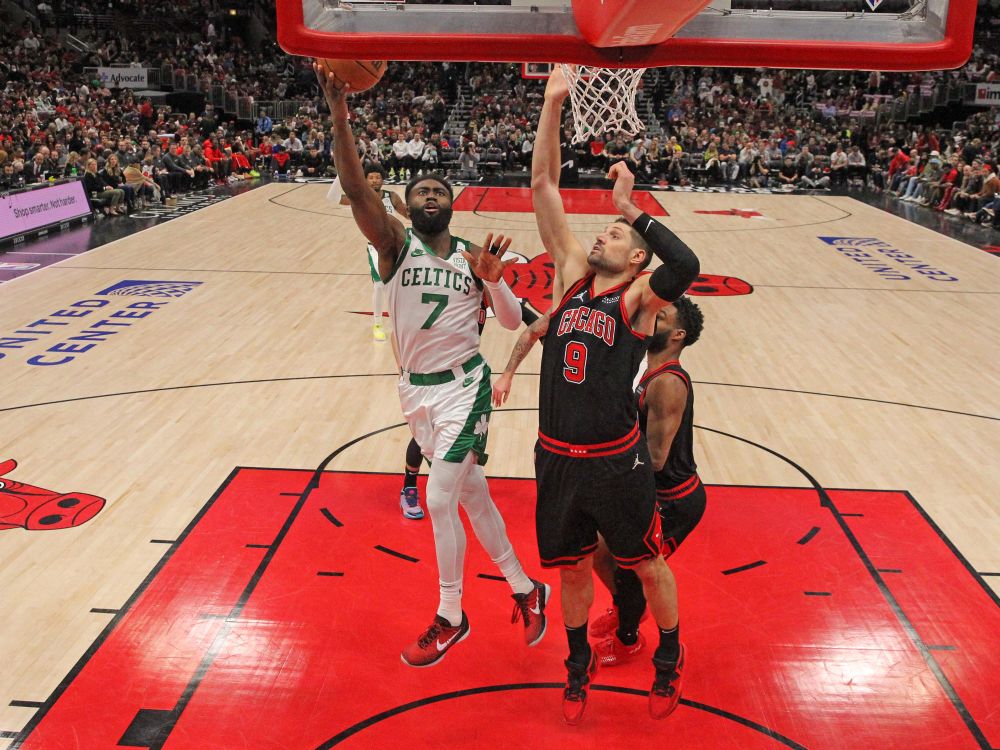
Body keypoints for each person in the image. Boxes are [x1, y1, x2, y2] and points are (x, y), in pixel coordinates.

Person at [316, 61, 549, 668]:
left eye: (439, 192)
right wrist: (340, 113)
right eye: (421, 192)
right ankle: (527, 592)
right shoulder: (393, 245)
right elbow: (359, 188)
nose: (429, 197)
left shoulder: (474, 255)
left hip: (463, 389)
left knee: (441, 500)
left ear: (452, 204)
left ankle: (452, 615)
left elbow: (506, 320)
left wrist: (496, 283)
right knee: (473, 499)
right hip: (414, 394)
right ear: (411, 205)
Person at [530, 66, 700, 725]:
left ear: (636, 260)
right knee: (571, 569)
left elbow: (683, 267)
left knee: (647, 562)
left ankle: (669, 656)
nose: (602, 234)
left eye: (617, 236)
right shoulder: (570, 276)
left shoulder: (636, 299)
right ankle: (577, 667)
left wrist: (633, 210)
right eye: (606, 228)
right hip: (555, 455)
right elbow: (544, 184)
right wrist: (552, 104)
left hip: (614, 458)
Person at [492, 299, 706, 675]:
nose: (651, 315)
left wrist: (607, 434)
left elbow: (654, 458)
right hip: (645, 483)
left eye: (662, 316)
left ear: (677, 335)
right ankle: (628, 608)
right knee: (603, 556)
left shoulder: (669, 383)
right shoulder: (649, 367)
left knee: (629, 564)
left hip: (673, 497)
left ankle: (629, 636)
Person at [337, 165, 410, 344]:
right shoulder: (360, 199)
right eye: (371, 177)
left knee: (402, 285)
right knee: (379, 285)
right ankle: (377, 324)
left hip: (397, 245)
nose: (375, 180)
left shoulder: (391, 196)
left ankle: (402, 323)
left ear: (382, 180)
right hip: (376, 246)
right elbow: (334, 198)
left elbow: (406, 213)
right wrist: (343, 172)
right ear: (365, 179)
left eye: (378, 177)